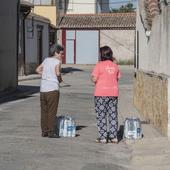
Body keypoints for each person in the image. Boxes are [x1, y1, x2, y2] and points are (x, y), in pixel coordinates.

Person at [91, 46, 121, 143]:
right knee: (112, 115)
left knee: (101, 115)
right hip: (113, 93)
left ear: (101, 55)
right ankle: (113, 137)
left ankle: (103, 137)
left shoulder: (99, 65)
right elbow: (118, 77)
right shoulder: (115, 66)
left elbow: (94, 79)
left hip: (100, 94)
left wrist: (93, 79)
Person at [36, 44, 64, 138]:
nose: (61, 55)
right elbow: (57, 73)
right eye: (61, 53)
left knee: (44, 110)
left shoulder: (46, 60)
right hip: (52, 88)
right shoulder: (57, 62)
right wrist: (60, 79)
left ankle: (44, 131)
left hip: (43, 89)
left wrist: (45, 75)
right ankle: (51, 131)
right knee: (52, 110)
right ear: (56, 52)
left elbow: (37, 69)